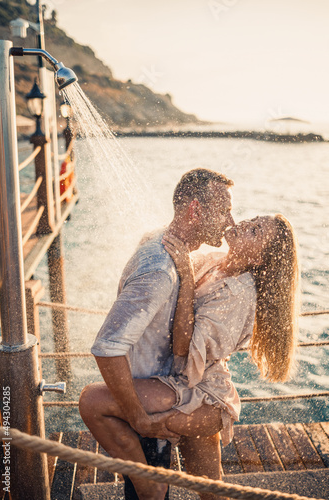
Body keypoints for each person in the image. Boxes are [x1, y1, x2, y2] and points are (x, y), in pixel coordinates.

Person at [80, 212, 299, 500]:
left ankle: (149, 486)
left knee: (93, 402)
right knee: (211, 489)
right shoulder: (218, 261)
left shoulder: (239, 294)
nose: (245, 224)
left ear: (259, 259)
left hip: (199, 394)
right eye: (254, 219)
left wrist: (184, 275)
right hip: (187, 383)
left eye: (256, 231)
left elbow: (184, 348)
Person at [79, 168, 235, 500]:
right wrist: (137, 416)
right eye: (223, 210)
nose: (230, 220)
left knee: (203, 484)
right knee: (151, 492)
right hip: (147, 405)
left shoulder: (163, 242)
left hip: (170, 390)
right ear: (195, 209)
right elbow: (107, 347)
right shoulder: (160, 269)